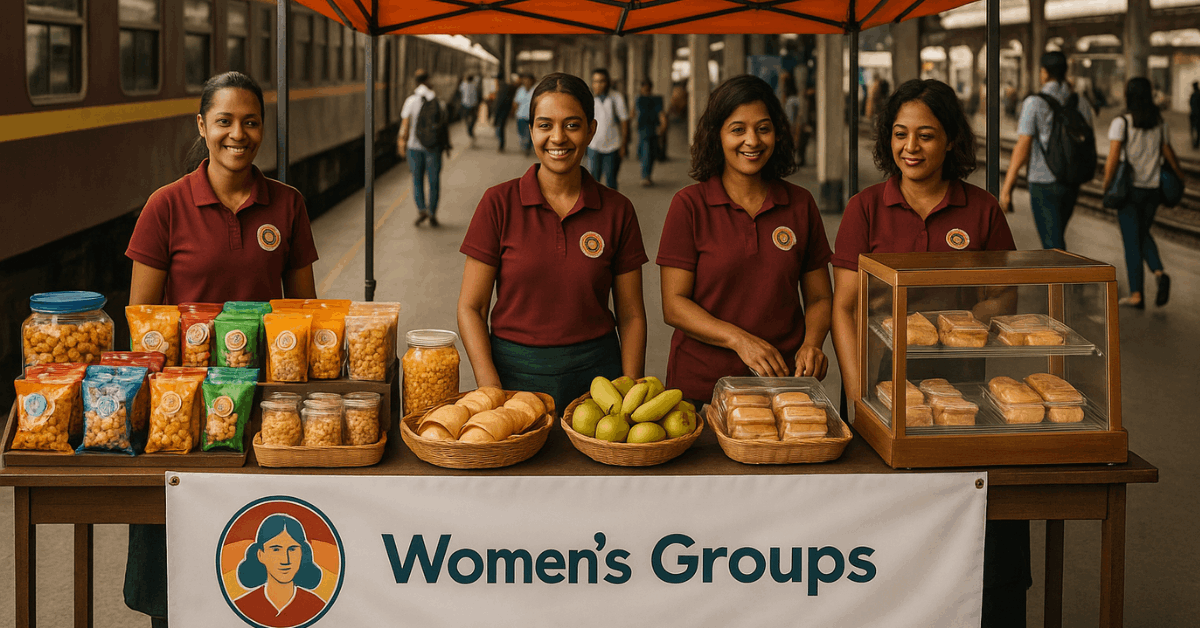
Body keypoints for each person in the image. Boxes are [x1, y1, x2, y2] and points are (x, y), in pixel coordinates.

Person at [124, 71, 320, 628]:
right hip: (180, 412)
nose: (239, 133)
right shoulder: (166, 206)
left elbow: (302, 313)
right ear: (202, 126)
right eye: (226, 121)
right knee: (176, 560)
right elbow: (143, 322)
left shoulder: (287, 205)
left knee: (252, 552)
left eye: (251, 121)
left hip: (262, 407)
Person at [829, 79, 1021, 628]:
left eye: (926, 136)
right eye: (899, 134)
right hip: (878, 378)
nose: (910, 147)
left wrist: (961, 322)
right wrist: (859, 393)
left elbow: (1006, 291)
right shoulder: (866, 208)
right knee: (885, 518)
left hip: (960, 379)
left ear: (952, 140)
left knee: (957, 504)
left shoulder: (980, 209)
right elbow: (845, 307)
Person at [458, 72, 648, 412]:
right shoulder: (498, 204)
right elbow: (471, 308)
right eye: (545, 125)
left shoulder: (618, 210)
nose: (557, 137)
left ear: (592, 129)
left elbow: (632, 315)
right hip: (514, 377)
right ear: (530, 130)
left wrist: (630, 393)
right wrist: (491, 390)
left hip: (598, 383)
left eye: (572, 125)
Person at [657, 75, 833, 404]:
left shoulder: (800, 204)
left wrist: (812, 342)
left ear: (778, 133)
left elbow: (821, 297)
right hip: (702, 384)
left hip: (782, 383)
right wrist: (740, 340)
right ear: (717, 136)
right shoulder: (689, 205)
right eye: (737, 129)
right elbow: (675, 306)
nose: (752, 141)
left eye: (763, 128)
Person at [1102, 77, 1185, 309]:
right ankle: (1159, 272)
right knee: (1142, 233)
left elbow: (1112, 159)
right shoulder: (1159, 122)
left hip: (1129, 192)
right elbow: (1167, 152)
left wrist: (1106, 184)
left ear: (1128, 95)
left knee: (1132, 241)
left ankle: (1137, 294)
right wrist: (1180, 175)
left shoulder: (1122, 122)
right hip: (1153, 190)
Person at [999, 51, 1094, 248]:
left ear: (1044, 73)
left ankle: (1067, 278)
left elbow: (1022, 147)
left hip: (1043, 182)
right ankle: (1065, 277)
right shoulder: (1081, 103)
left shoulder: (1034, 102)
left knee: (1052, 244)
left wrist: (1007, 188)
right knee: (1057, 237)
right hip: (1071, 180)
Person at [234, 515, 327, 628]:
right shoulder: (243, 605)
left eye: (292, 549)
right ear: (260, 555)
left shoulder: (317, 606)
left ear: (303, 554)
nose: (285, 560)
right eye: (276, 549)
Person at [399, 69, 450, 228]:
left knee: (417, 180)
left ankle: (422, 209)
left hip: (414, 148)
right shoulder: (438, 102)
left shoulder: (410, 101)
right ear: (428, 81)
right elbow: (443, 127)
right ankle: (433, 212)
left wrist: (401, 142)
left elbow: (405, 126)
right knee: (434, 181)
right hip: (433, 148)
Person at [588, 68, 630, 189]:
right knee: (593, 182)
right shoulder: (589, 99)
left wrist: (624, 145)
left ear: (608, 82)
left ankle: (612, 207)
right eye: (595, 81)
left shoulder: (616, 97)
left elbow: (624, 121)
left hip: (613, 146)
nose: (598, 85)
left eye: (601, 81)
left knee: (611, 181)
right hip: (593, 146)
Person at [634, 79, 668, 187]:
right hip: (643, 129)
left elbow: (661, 114)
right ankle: (645, 176)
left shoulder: (654, 99)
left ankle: (647, 175)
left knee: (650, 153)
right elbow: (634, 112)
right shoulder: (639, 99)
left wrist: (663, 126)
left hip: (652, 128)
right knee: (646, 152)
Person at [492, 73, 517, 153]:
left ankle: (501, 146)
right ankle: (501, 145)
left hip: (501, 112)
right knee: (500, 128)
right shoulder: (505, 87)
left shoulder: (502, 88)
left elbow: (499, 103)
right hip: (504, 112)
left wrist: (495, 117)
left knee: (500, 129)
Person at [515, 72, 536, 157]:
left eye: (528, 80)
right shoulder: (520, 90)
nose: (526, 82)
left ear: (532, 81)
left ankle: (527, 148)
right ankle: (525, 145)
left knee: (530, 135)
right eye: (525, 80)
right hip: (520, 116)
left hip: (532, 117)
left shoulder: (535, 90)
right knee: (521, 133)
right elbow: (516, 102)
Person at [460, 73, 482, 146]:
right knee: (474, 119)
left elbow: (460, 90)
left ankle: (469, 130)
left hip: (465, 105)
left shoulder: (463, 85)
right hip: (473, 105)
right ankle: (471, 130)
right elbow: (478, 79)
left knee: (466, 119)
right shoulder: (474, 85)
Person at [1189, 81, 1200, 149]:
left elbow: (1190, 103)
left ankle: (1195, 143)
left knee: (1194, 130)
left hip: (1195, 114)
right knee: (1197, 130)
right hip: (1196, 114)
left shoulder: (1194, 94)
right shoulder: (1197, 94)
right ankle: (1195, 143)